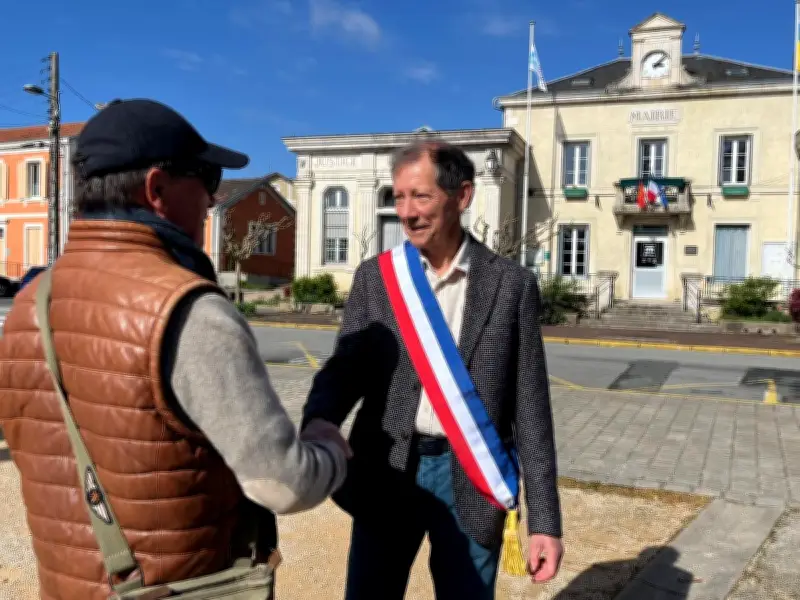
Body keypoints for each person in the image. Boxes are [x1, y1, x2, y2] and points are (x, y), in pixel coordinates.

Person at [0, 98, 350, 600]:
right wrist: (330, 447)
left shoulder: (28, 304)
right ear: (157, 189)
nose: (212, 201)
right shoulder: (188, 310)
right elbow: (283, 484)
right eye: (206, 180)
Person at [301, 140, 563, 600]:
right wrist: (319, 418)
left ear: (461, 197)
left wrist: (543, 521)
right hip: (388, 470)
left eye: (420, 196)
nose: (407, 212)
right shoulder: (376, 277)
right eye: (398, 197)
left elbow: (531, 407)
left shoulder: (511, 285)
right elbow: (346, 367)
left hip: (473, 474)